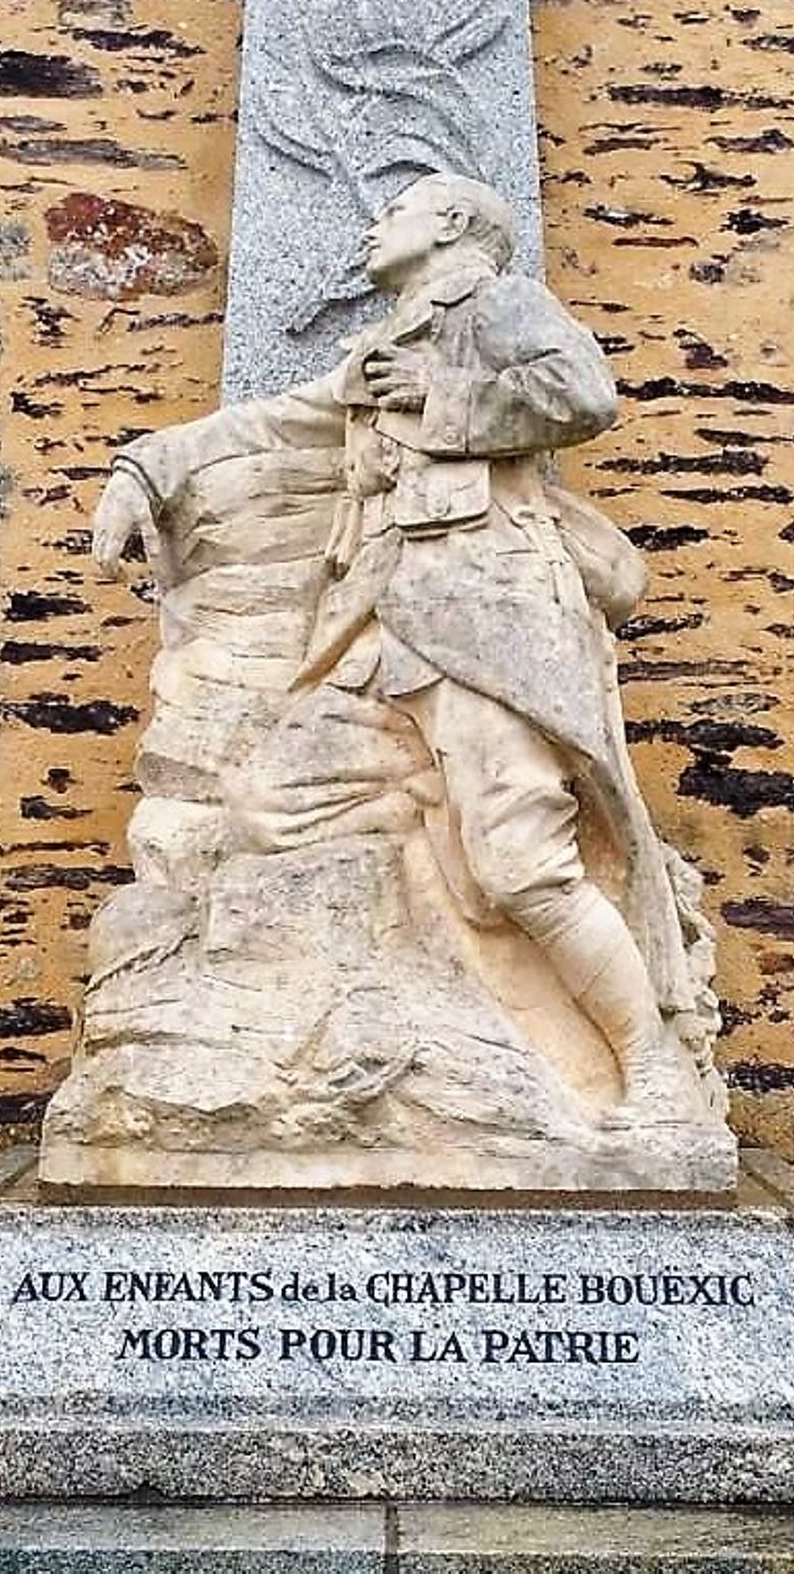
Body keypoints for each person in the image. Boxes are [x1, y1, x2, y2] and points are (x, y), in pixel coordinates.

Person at [92, 172, 707, 1125]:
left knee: (522, 866)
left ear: (452, 224)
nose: (374, 227)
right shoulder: (383, 345)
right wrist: (145, 469)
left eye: (396, 210)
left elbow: (583, 394)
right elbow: (274, 422)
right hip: (379, 629)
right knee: (264, 803)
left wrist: (443, 394)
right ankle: (383, 983)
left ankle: (650, 1069)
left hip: (484, 621)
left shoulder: (497, 303)